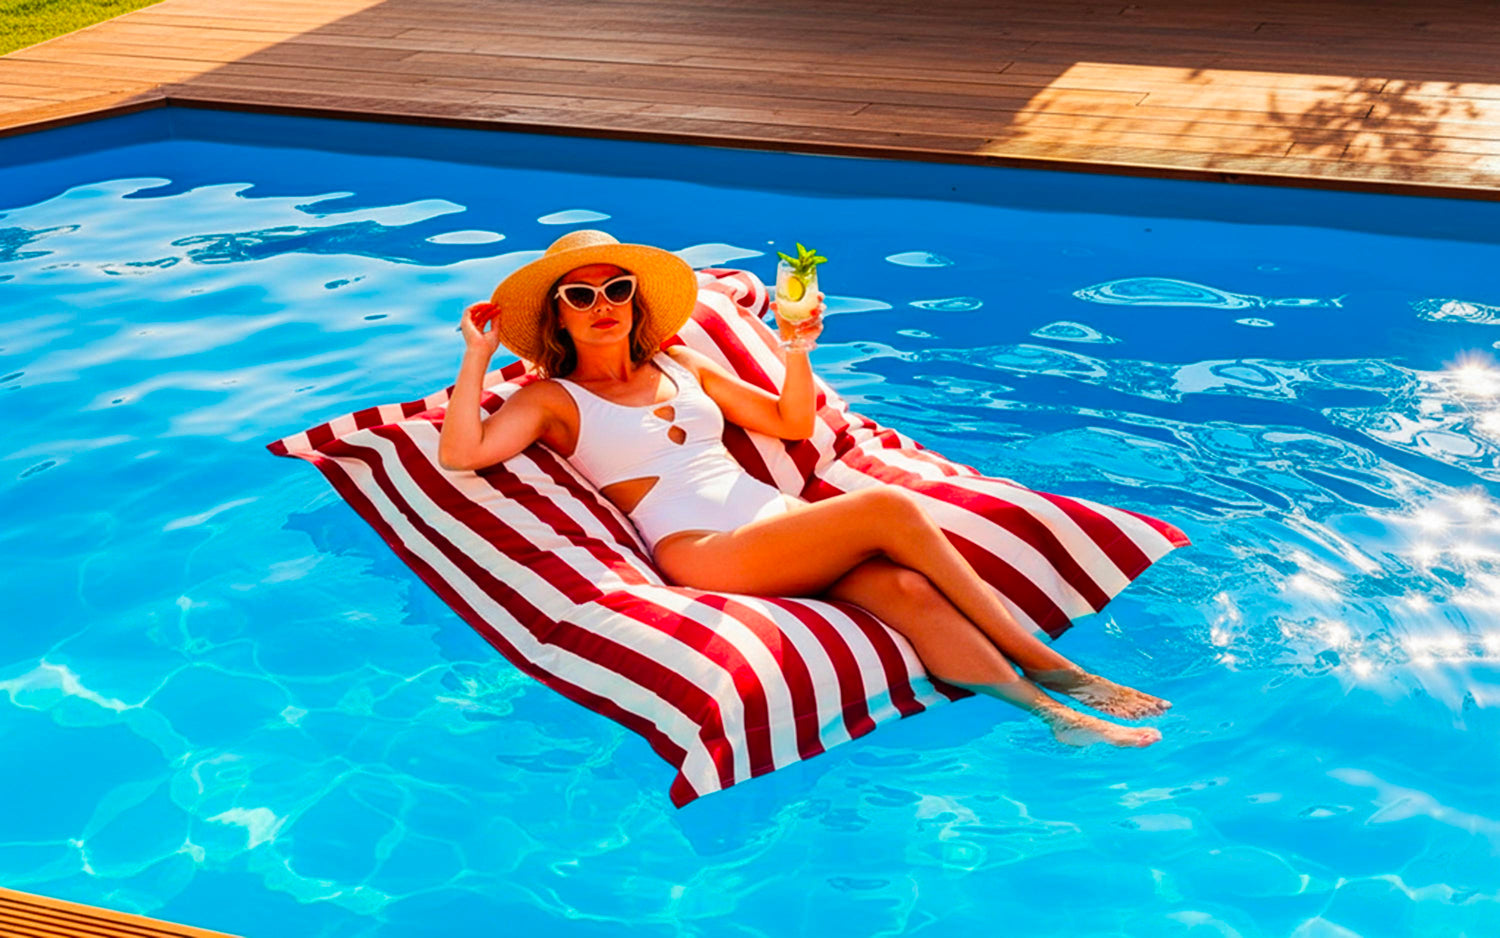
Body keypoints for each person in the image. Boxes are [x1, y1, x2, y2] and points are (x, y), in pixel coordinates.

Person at [439, 230, 1169, 748]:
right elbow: (462, 452)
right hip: (703, 550)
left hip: (776, 525)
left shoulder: (681, 362)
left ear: (635, 300)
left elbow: (790, 422)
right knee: (887, 508)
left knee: (908, 594)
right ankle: (1054, 665)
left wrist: (795, 347)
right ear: (558, 312)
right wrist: (477, 357)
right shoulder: (551, 399)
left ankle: (1052, 715)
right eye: (581, 293)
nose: (604, 303)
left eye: (618, 288)